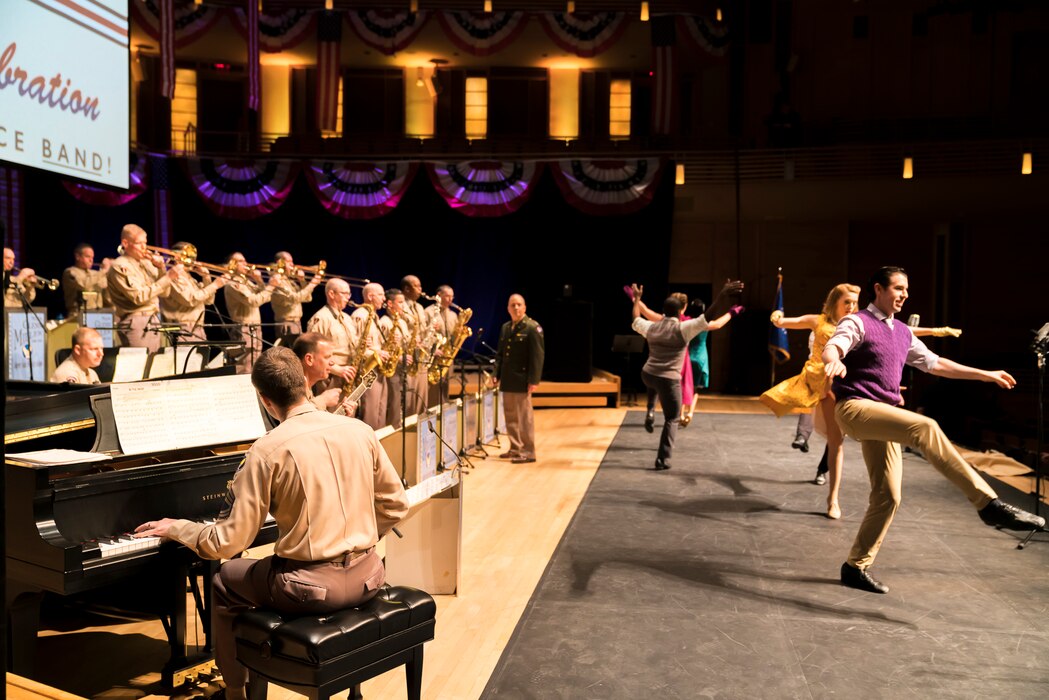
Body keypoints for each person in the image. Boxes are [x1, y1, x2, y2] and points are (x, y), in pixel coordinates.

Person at [133, 347, 409, 700]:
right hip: (369, 576)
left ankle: (235, 692)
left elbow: (228, 544)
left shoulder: (267, 450)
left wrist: (178, 528)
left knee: (223, 581)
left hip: (310, 590)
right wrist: (359, 537)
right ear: (304, 385)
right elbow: (396, 504)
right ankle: (348, 685)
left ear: (264, 400)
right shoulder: (360, 430)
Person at [823, 266, 1044, 594]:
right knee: (925, 427)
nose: (904, 295)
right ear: (878, 289)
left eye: (907, 290)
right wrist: (835, 359)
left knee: (889, 496)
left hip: (883, 414)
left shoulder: (902, 332)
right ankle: (987, 504)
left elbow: (937, 364)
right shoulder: (858, 322)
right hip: (855, 408)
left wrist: (984, 374)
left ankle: (855, 567)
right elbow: (835, 345)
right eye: (898, 288)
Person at [759, 283, 861, 519]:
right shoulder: (819, 321)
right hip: (818, 379)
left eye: (855, 302)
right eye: (847, 302)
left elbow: (900, 330)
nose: (852, 307)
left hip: (843, 383)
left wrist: (935, 331)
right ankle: (831, 495)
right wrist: (777, 317)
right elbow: (786, 323)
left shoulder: (858, 324)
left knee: (837, 441)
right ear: (835, 301)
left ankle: (833, 497)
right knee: (833, 437)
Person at [630, 280, 744, 470]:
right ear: (680, 312)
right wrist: (722, 295)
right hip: (668, 378)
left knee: (654, 384)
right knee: (672, 418)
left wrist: (636, 300)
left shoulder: (651, 327)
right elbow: (707, 318)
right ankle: (662, 459)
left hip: (648, 374)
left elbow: (635, 319)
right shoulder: (684, 328)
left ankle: (650, 408)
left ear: (664, 312)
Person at [630, 288, 736, 429]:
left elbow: (644, 314)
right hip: (689, 359)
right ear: (683, 307)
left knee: (661, 382)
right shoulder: (687, 325)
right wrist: (731, 311)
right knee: (688, 388)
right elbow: (714, 322)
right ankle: (685, 414)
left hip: (659, 366)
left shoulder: (665, 322)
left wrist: (635, 299)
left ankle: (657, 410)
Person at [107, 224, 182, 351]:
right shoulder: (120, 266)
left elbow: (165, 293)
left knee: (155, 366)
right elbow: (139, 297)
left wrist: (161, 269)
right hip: (136, 321)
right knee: (140, 366)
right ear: (125, 243)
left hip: (153, 319)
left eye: (145, 243)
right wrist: (168, 277)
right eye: (139, 243)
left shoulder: (147, 263)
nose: (144, 248)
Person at [494, 294, 545, 464]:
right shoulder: (506, 327)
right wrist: (496, 374)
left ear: (525, 307)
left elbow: (538, 356)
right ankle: (515, 448)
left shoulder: (532, 327)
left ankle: (529, 451)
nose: (516, 308)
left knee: (525, 418)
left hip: (523, 380)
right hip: (508, 379)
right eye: (512, 305)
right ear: (508, 308)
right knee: (510, 417)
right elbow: (501, 354)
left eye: (519, 305)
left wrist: (534, 380)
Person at [223, 252, 279, 373]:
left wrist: (259, 281)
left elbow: (266, 297)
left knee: (256, 366)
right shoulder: (233, 284)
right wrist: (271, 286)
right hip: (243, 328)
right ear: (231, 264)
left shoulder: (246, 282)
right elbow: (254, 301)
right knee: (245, 367)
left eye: (245, 260)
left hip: (254, 327)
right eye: (240, 261)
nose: (245, 264)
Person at [160, 241, 225, 339]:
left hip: (198, 328)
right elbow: (191, 300)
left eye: (194, 256)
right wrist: (215, 285)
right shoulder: (173, 277)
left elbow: (209, 301)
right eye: (188, 256)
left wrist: (206, 278)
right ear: (177, 257)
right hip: (182, 329)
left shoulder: (191, 279)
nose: (193, 260)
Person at [305, 279, 357, 390]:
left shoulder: (347, 318)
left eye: (349, 293)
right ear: (331, 294)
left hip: (349, 373)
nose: (348, 297)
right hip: (331, 376)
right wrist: (337, 369)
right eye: (344, 293)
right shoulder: (321, 318)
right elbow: (313, 351)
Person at [352, 282, 391, 430]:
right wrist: (375, 353)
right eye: (380, 295)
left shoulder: (374, 316)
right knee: (371, 410)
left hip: (378, 366)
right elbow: (356, 346)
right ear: (370, 296)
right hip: (367, 368)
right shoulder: (360, 316)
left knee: (380, 409)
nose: (384, 299)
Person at [292, 332, 354, 414]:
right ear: (309, 359)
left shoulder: (307, 386)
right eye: (327, 357)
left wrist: (340, 413)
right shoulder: (292, 388)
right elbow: (298, 418)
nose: (332, 363)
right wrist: (323, 399)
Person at [271, 251, 322, 337]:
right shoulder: (277, 281)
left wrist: (302, 280)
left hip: (296, 322)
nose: (292, 264)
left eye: (292, 261)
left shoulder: (289, 281)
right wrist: (312, 284)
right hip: (286, 323)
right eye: (289, 261)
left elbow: (307, 298)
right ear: (280, 262)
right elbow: (295, 298)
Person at [379, 288, 411, 428]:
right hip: (391, 367)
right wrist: (397, 357)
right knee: (394, 402)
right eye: (401, 302)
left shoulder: (402, 322)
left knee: (403, 401)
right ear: (390, 304)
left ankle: (400, 425)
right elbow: (382, 348)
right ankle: (394, 429)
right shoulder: (385, 322)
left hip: (403, 367)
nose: (404, 306)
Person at [401, 275, 431, 416]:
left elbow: (423, 329)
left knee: (421, 393)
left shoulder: (419, 307)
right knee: (410, 395)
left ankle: (420, 422)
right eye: (416, 286)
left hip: (421, 353)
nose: (420, 289)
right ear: (407, 288)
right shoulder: (401, 304)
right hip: (408, 353)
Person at [425, 284, 459, 405]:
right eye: (447, 296)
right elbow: (424, 335)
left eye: (452, 297)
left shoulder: (453, 315)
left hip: (447, 357)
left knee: (446, 386)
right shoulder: (429, 312)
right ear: (439, 296)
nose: (450, 300)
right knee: (433, 389)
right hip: (434, 357)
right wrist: (433, 349)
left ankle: (444, 412)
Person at [61, 243, 111, 316]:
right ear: (77, 256)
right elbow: (84, 286)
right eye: (88, 256)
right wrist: (104, 271)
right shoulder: (70, 272)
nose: (91, 260)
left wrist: (111, 274)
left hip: (98, 315)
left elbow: (107, 297)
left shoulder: (95, 273)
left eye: (92, 257)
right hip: (78, 315)